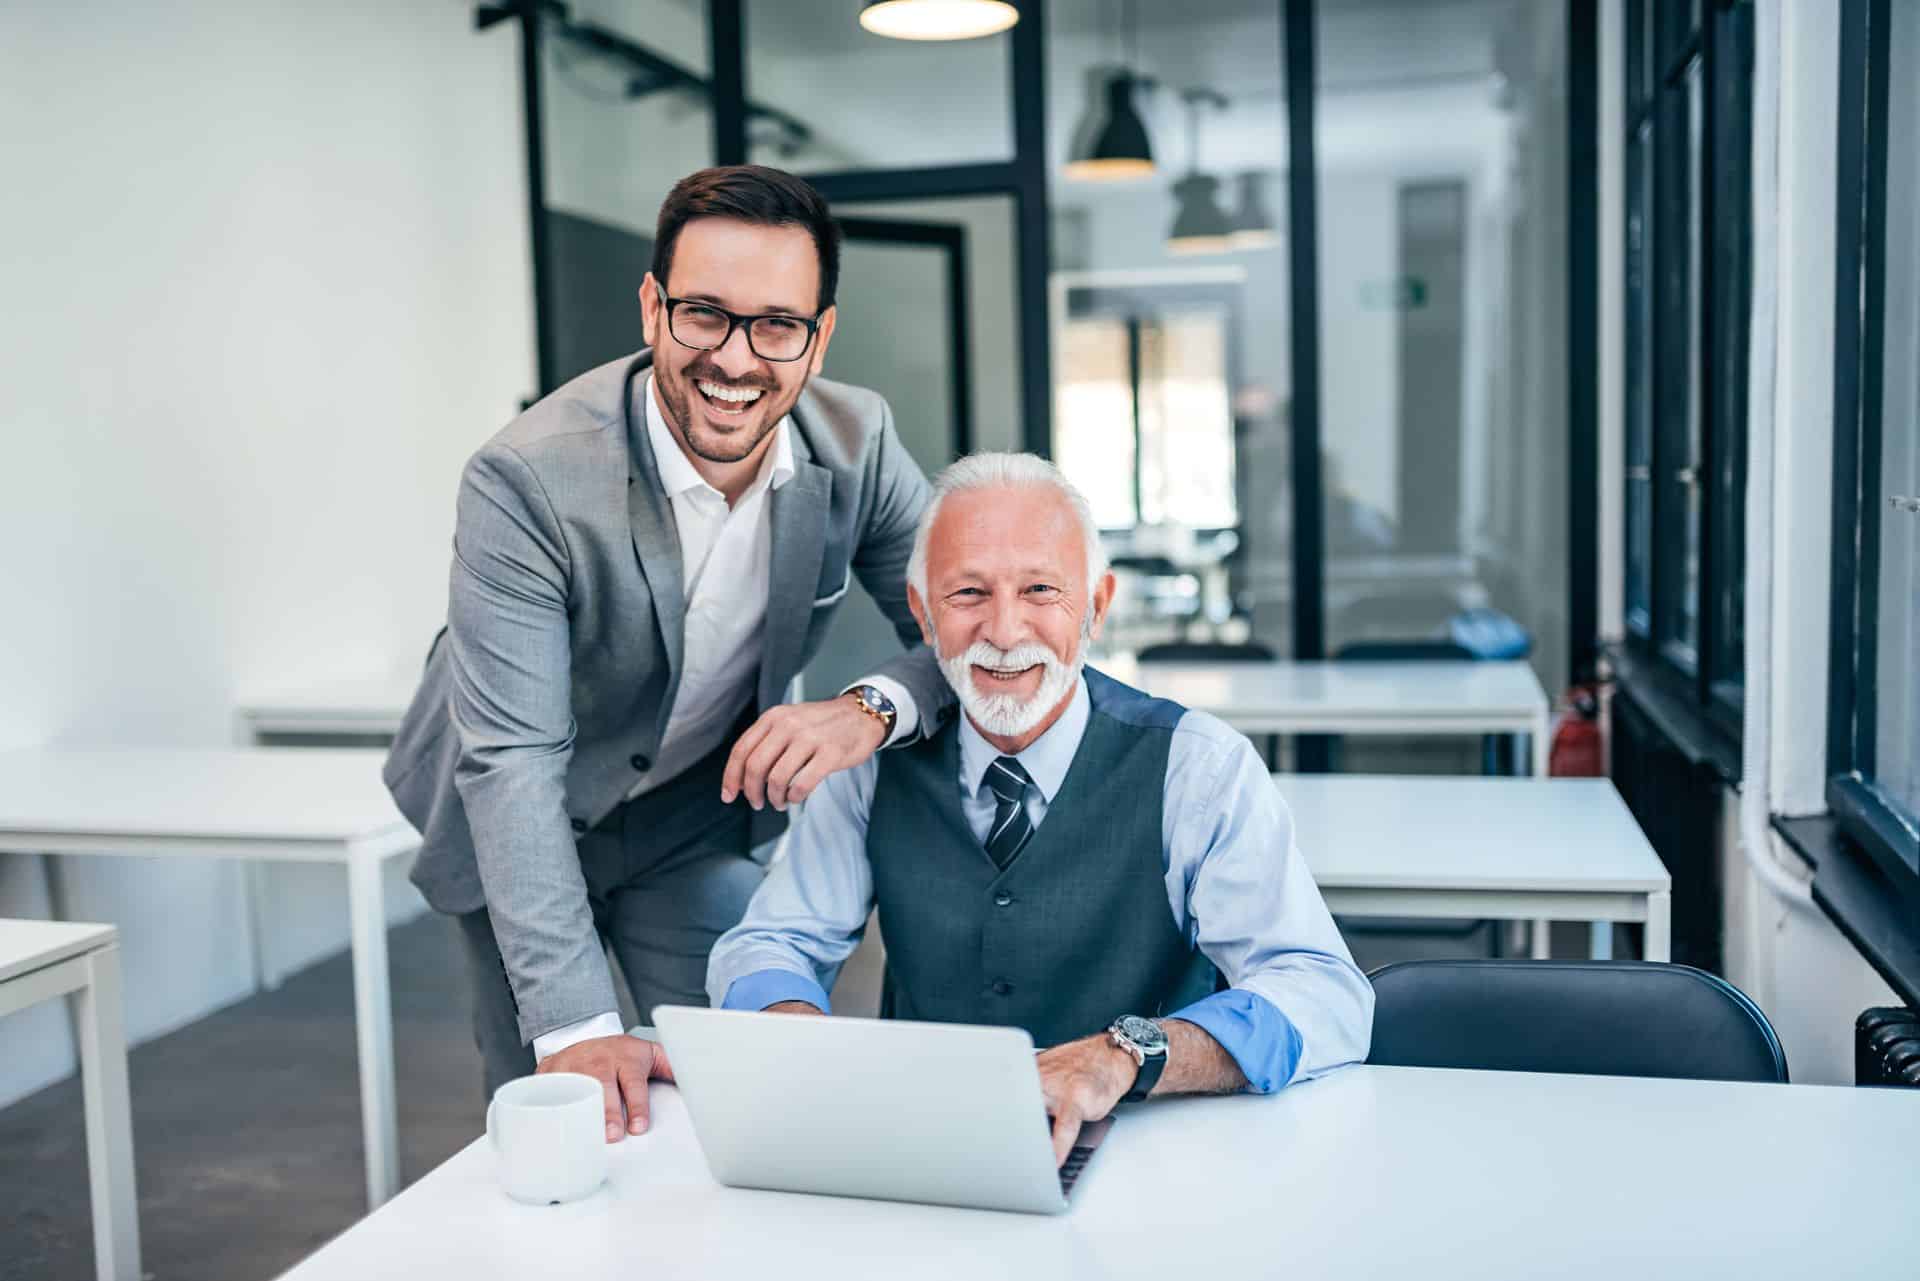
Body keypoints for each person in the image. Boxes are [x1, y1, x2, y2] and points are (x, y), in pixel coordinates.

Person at [383, 165, 951, 1142]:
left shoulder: (857, 442)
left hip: (689, 816)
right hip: (514, 812)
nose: (736, 359)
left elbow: (968, 630)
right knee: (557, 1113)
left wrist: (866, 708)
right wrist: (575, 1030)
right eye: (704, 315)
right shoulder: (528, 479)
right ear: (652, 308)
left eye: (777, 324)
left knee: (745, 1081)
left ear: (819, 338)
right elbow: (512, 761)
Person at [707, 452, 1374, 1165]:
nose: (1003, 629)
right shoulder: (869, 769)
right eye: (967, 593)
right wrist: (793, 1024)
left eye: (1039, 589)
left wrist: (1127, 1055)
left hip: (1157, 1158)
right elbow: (768, 942)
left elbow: (1324, 992)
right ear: (922, 612)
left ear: (1096, 604)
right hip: (928, 1152)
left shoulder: (1199, 768)